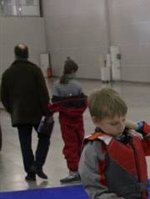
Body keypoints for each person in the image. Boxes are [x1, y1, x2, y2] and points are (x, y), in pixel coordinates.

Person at [0, 43, 51, 182]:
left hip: (19, 115)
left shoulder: (7, 73)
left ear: (15, 55)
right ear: (27, 55)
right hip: (37, 114)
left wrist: (11, 110)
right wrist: (47, 113)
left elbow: (3, 97)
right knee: (45, 137)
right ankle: (38, 164)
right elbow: (43, 94)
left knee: (25, 143)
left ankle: (30, 173)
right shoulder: (35, 71)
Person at [49, 57, 88, 184]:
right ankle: (82, 169)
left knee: (70, 145)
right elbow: (83, 102)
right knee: (80, 143)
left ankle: (73, 171)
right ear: (72, 71)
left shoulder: (57, 85)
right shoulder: (78, 85)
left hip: (65, 121)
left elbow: (54, 104)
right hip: (78, 120)